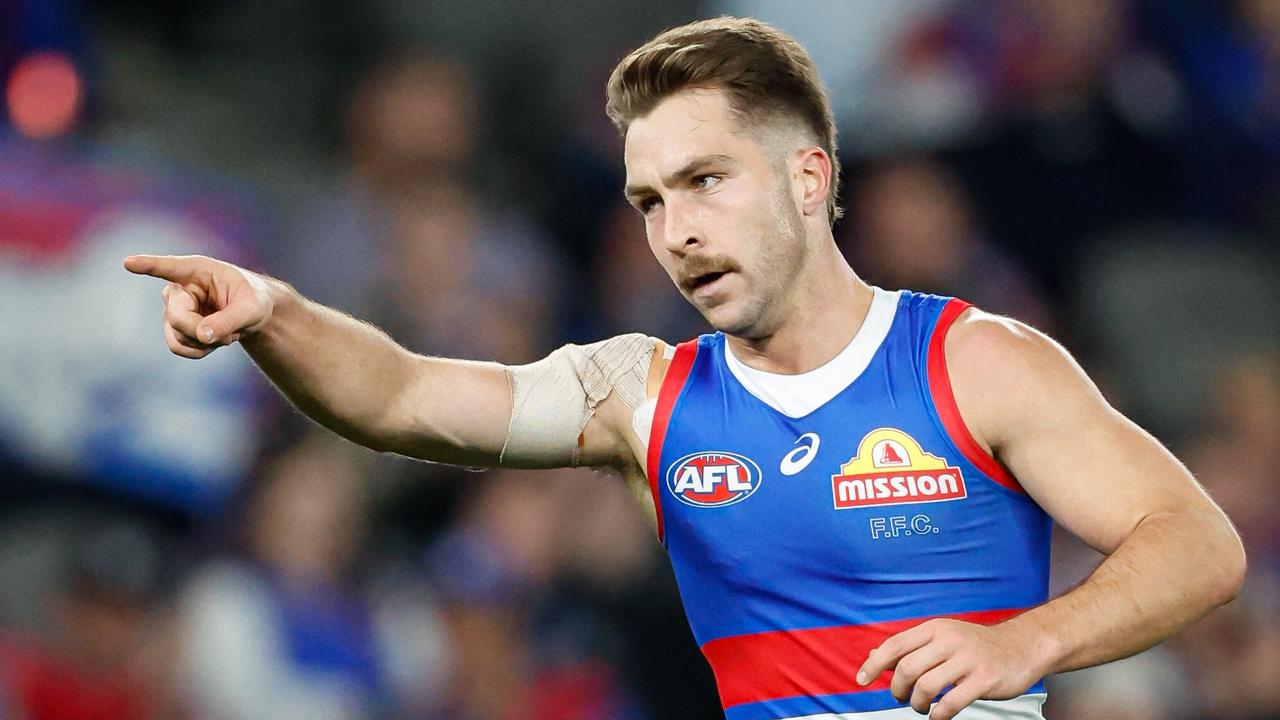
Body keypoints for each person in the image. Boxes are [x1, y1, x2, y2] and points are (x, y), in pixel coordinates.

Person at [124, 16, 1245, 720]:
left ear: (807, 178)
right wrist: (274, 314)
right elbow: (403, 396)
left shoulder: (974, 362)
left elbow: (1196, 543)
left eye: (706, 180)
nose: (675, 230)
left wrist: (1024, 640)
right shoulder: (643, 395)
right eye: (649, 201)